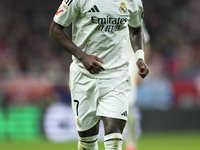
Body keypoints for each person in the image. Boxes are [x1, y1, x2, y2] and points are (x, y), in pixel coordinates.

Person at [49, 0, 149, 150]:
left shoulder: (133, 1)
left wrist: (139, 57)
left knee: (114, 140)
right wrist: (82, 56)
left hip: (117, 75)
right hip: (84, 77)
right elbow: (55, 29)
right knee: (87, 143)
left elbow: (136, 29)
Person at [125, 23, 151, 150]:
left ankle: (131, 140)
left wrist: (141, 68)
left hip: (130, 67)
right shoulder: (107, 12)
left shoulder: (134, 14)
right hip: (111, 66)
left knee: (128, 105)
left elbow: (145, 44)